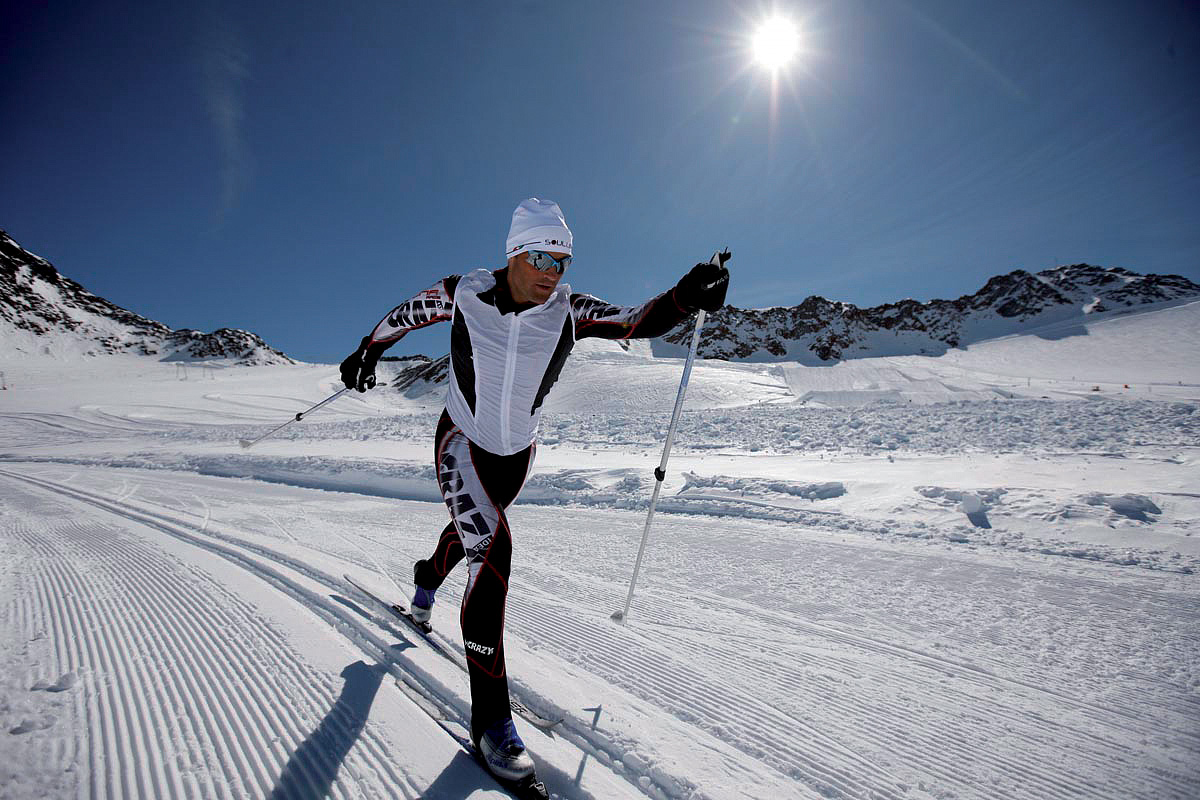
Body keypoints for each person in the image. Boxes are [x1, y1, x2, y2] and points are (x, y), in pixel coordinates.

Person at [339, 198, 729, 783]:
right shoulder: (464, 292)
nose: (552, 272)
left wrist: (685, 296)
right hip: (462, 441)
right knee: (492, 550)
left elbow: (634, 321)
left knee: (472, 533)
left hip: (516, 456)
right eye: (542, 257)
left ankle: (425, 578)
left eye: (562, 261)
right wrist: (368, 350)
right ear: (515, 252)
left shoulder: (569, 309)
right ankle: (491, 721)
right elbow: (405, 315)